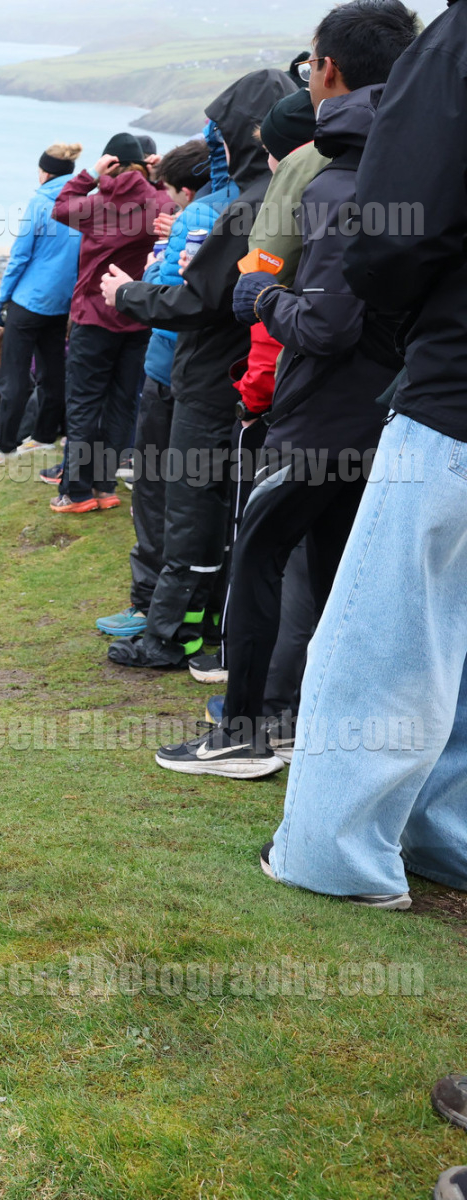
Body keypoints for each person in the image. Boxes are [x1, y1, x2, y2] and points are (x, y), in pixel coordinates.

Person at [157, 1, 417, 779]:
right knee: (336, 572)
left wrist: (262, 297)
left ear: (326, 70)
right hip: (388, 411)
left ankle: (241, 735)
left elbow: (328, 324)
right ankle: (306, 722)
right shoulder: (413, 164)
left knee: (260, 558)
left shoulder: (333, 181)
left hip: (321, 413)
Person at [251, 0, 467, 918]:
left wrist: (395, 314)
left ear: (326, 68)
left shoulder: (454, 46)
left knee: (383, 631)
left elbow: (396, 233)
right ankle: (444, 833)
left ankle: (335, 851)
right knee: (455, 631)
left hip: (452, 389)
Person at [101, 68, 298, 666]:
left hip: (215, 378)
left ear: (241, 134)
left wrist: (125, 294)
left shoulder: (248, 205)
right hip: (247, 380)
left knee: (191, 511)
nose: (217, 143)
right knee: (217, 509)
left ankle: (169, 637)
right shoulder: (283, 192)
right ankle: (202, 625)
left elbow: (198, 301)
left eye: (221, 132)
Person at [96, 135, 228, 638]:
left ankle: (150, 604)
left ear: (185, 190)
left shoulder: (199, 216)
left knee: (156, 493)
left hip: (173, 368)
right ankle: (201, 610)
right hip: (222, 377)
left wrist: (133, 288)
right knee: (204, 497)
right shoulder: (252, 199)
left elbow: (177, 302)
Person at [49, 132, 173, 512]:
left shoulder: (96, 204)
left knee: (84, 404)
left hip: (92, 317)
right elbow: (174, 204)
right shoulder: (159, 203)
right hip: (137, 317)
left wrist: (89, 173)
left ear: (111, 163)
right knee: (122, 402)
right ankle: (104, 487)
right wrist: (158, 177)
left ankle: (76, 492)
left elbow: (60, 206)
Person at [0, 142, 82, 465]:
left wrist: (2, 298)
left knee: (13, 377)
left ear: (45, 172)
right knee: (53, 371)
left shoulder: (39, 202)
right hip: (62, 302)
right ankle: (43, 436)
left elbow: (20, 256)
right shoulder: (85, 202)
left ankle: (5, 447)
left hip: (27, 302)